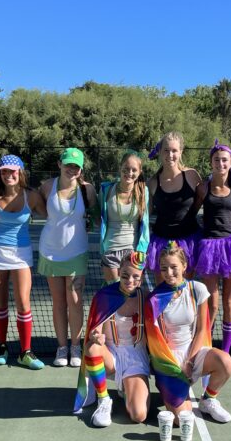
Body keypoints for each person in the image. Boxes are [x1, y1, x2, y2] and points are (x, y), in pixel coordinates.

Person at [145, 243, 231, 423]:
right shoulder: (154, 299)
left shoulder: (197, 289)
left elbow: (202, 329)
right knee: (182, 419)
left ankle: (208, 399)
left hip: (194, 352)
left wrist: (190, 362)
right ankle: (168, 389)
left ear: (184, 267)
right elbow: (156, 342)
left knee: (225, 362)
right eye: (164, 269)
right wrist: (175, 366)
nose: (169, 273)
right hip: (168, 359)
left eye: (173, 267)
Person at [0, 154, 47, 369]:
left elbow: (53, 215)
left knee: (23, 302)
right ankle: (1, 346)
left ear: (20, 173)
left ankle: (25, 352)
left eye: (12, 171)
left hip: (21, 254)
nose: (8, 175)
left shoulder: (33, 196)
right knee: (0, 302)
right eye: (4, 171)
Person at [73, 252, 150, 427]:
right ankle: (104, 399)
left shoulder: (146, 297)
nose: (129, 280)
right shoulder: (105, 296)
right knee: (92, 348)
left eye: (135, 277)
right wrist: (96, 336)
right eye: (125, 276)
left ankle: (127, 388)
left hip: (136, 358)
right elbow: (95, 330)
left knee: (139, 416)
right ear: (119, 273)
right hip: (111, 356)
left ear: (142, 277)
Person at [38, 147, 98, 368]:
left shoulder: (87, 190)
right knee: (58, 302)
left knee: (75, 300)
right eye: (68, 165)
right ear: (59, 165)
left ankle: (75, 346)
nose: (72, 169)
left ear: (81, 169)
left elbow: (96, 216)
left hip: (77, 252)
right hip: (50, 251)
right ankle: (61, 347)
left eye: (76, 166)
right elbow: (37, 209)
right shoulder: (46, 187)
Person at [194, 140, 231, 354]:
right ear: (211, 162)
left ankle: (226, 352)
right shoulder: (202, 188)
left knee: (230, 302)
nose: (220, 163)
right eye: (216, 159)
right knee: (212, 303)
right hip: (209, 248)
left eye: (224, 160)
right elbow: (192, 213)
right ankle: (205, 347)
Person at [146, 131, 202, 279]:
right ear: (159, 152)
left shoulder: (192, 176)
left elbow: (203, 199)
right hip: (161, 243)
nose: (170, 155)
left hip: (188, 242)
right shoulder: (152, 183)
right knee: (162, 292)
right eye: (166, 150)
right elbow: (145, 214)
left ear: (181, 152)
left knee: (184, 292)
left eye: (174, 150)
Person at [98, 150, 150, 284]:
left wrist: (141, 251)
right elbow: (97, 217)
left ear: (139, 172)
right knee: (115, 294)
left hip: (134, 252)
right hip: (110, 250)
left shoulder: (144, 192)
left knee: (133, 295)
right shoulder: (106, 191)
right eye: (126, 169)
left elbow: (145, 224)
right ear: (120, 167)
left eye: (134, 170)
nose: (130, 173)